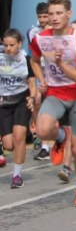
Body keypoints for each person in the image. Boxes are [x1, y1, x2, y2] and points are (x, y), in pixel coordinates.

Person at [29, 0, 76, 206]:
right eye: (51, 14)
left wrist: (61, 64)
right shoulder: (41, 38)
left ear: (69, 14)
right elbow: (34, 60)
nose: (54, 18)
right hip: (55, 93)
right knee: (42, 130)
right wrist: (41, 80)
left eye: (59, 13)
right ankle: (60, 136)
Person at [1, 29, 37, 188]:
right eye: (5, 45)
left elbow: (32, 84)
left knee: (19, 136)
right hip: (4, 103)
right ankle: (24, 134)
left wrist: (32, 98)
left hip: (22, 100)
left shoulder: (26, 60)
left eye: (12, 45)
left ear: (19, 44)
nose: (8, 48)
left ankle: (17, 175)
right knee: (9, 145)